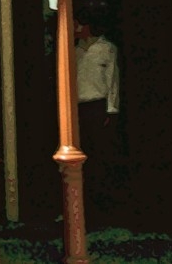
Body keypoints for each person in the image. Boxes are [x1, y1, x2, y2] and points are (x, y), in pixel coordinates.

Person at [74, 19, 122, 217]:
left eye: (77, 25)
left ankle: (102, 204)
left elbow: (112, 80)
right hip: (76, 106)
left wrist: (111, 110)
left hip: (97, 104)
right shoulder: (74, 49)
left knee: (99, 154)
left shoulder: (106, 48)